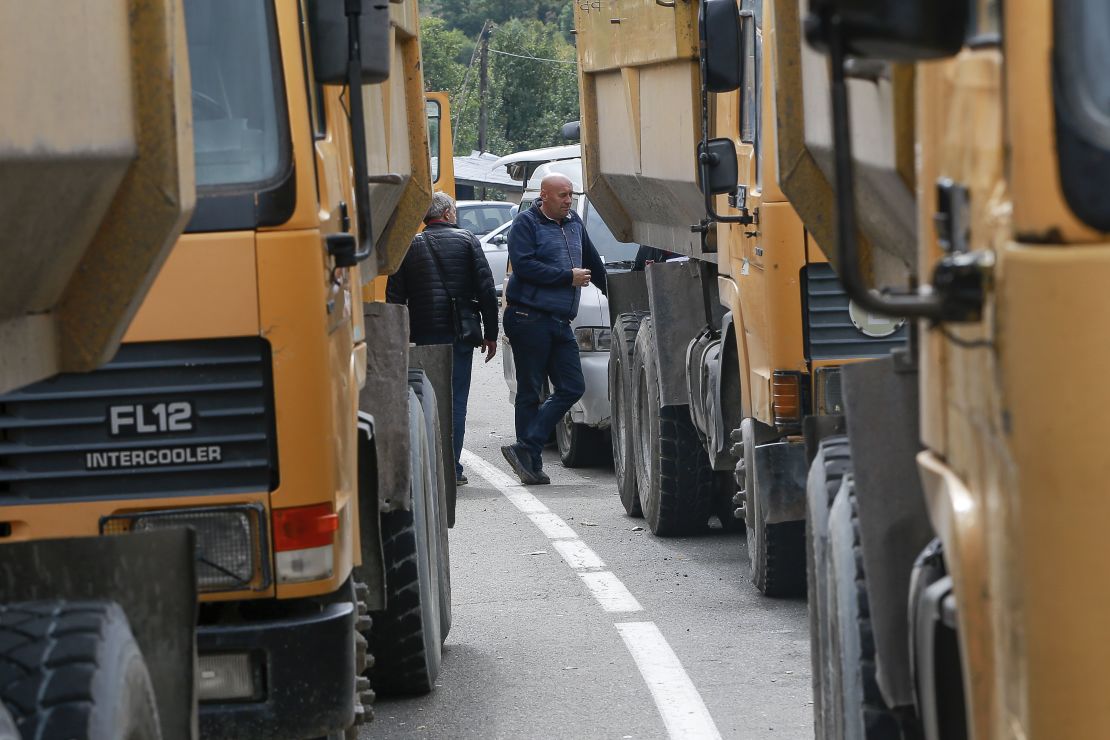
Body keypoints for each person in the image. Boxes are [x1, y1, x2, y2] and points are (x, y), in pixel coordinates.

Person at [500, 174, 607, 485]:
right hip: (528, 317)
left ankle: (526, 446)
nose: (567, 200)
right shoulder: (526, 224)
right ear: (544, 196)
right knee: (530, 391)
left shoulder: (574, 224)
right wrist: (566, 277)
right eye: (562, 195)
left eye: (570, 194)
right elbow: (524, 266)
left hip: (560, 321)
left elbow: (594, 266)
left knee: (573, 387)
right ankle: (530, 465)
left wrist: (616, 298)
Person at [387, 192, 498, 486]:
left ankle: (430, 465)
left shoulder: (408, 245)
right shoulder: (467, 240)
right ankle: (452, 467)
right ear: (448, 213)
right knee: (456, 401)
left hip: (423, 335)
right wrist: (491, 334)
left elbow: (394, 297)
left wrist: (400, 336)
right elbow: (486, 289)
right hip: (460, 333)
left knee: (427, 399)